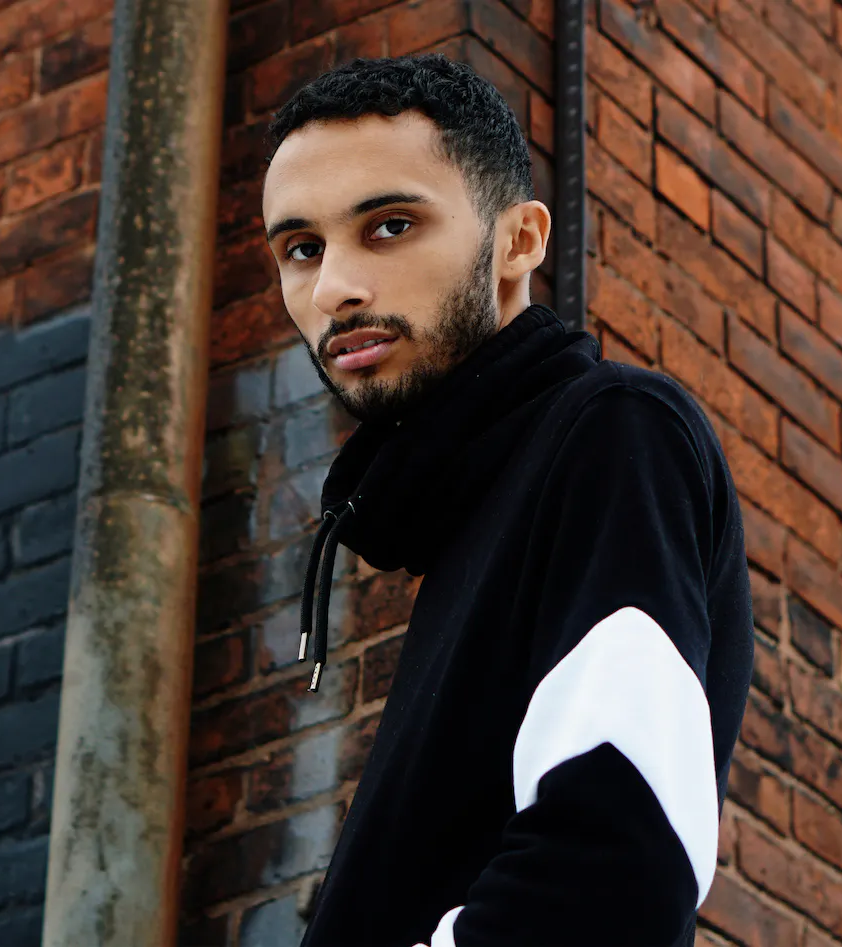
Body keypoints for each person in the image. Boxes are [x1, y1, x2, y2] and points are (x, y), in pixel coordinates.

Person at [261, 52, 754, 947]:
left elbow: (615, 870)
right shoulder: (465, 521)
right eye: (302, 249)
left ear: (520, 241)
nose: (333, 288)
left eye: (389, 226)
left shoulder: (612, 433)